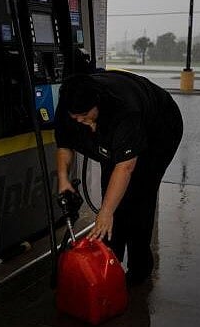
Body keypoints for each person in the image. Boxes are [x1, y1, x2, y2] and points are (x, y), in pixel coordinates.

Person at [55, 71, 183, 285]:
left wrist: (105, 213)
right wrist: (63, 179)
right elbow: (64, 145)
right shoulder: (69, 106)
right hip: (117, 134)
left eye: (86, 116)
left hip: (160, 126)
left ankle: (139, 269)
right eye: (76, 118)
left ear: (98, 103)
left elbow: (125, 168)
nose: (81, 121)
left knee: (140, 193)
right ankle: (111, 258)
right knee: (113, 192)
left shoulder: (124, 112)